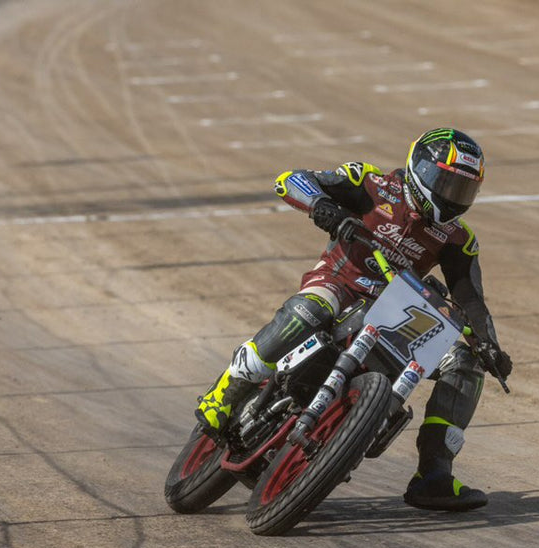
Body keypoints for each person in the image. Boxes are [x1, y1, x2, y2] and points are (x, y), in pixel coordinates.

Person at [194, 127, 512, 511]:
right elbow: (290, 180)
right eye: (445, 182)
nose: (451, 195)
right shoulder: (371, 182)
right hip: (339, 285)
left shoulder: (458, 237)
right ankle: (225, 393)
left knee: (466, 363)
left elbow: (470, 298)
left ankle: (433, 474)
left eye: (462, 189)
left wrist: (489, 343)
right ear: (420, 169)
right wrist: (322, 207)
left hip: (398, 315)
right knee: (311, 309)